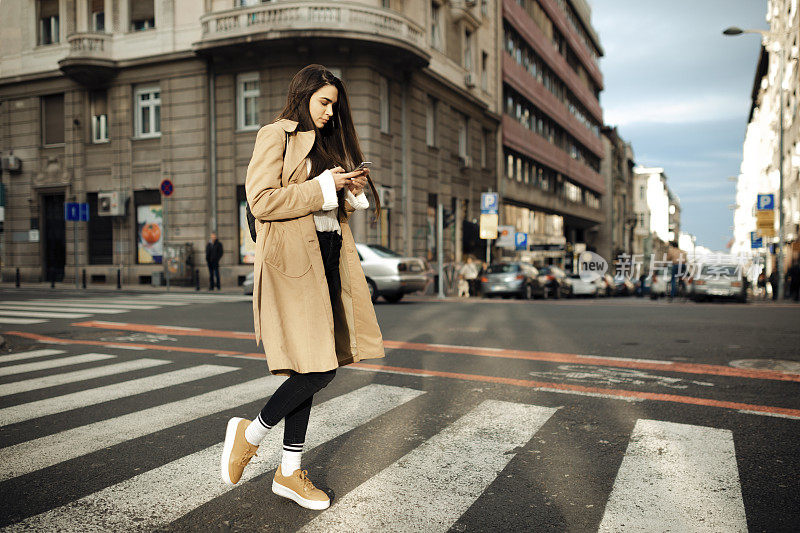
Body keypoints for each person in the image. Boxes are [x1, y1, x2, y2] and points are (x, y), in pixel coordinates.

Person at [221, 65, 385, 511]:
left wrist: (346, 188)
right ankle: (250, 434)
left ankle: (289, 473)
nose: (331, 112)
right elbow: (261, 201)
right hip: (295, 264)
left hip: (329, 255)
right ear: (304, 95)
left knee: (309, 366)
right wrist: (322, 186)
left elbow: (323, 207)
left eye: (335, 105)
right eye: (324, 102)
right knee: (320, 367)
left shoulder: (325, 143)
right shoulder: (276, 135)